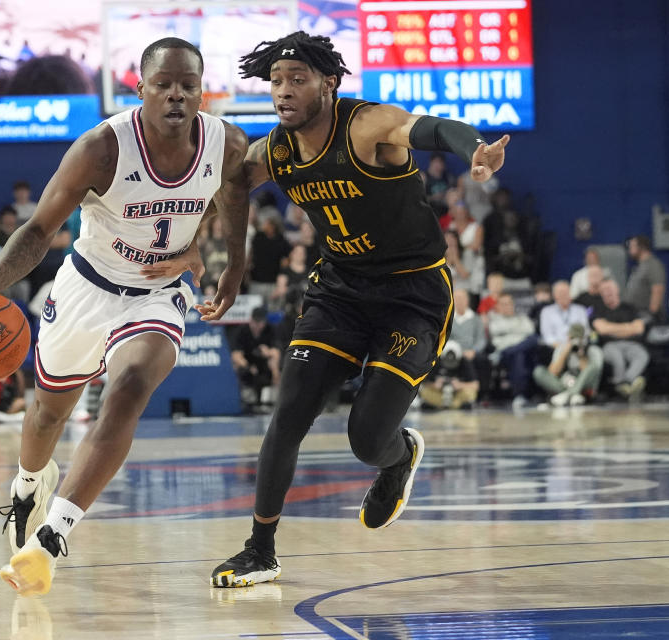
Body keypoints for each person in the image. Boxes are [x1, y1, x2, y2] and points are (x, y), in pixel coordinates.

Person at [0, 37, 249, 596]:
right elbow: (37, 231)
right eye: (164, 84)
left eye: (188, 85)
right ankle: (30, 484)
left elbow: (233, 194)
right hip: (86, 287)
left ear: (202, 91)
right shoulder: (102, 149)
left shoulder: (225, 142)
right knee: (46, 415)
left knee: (129, 386)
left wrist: (224, 261)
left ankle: (52, 538)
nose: (177, 94)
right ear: (141, 89)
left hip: (158, 292)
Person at [209, 31, 509, 587]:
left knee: (366, 438)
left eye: (297, 79)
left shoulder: (365, 126)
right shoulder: (272, 149)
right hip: (339, 293)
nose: (283, 91)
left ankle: (397, 458)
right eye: (276, 81)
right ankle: (261, 549)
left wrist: (475, 150)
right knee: (288, 413)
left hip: (412, 297)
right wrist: (231, 264)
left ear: (328, 83)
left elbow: (431, 128)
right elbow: (229, 188)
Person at [592, 279, 649, 399]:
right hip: (609, 346)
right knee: (617, 356)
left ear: (617, 290)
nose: (608, 292)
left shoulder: (629, 307)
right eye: (604, 290)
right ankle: (626, 386)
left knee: (642, 355)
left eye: (610, 289)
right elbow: (602, 329)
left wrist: (612, 328)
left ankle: (625, 383)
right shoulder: (598, 310)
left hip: (631, 344)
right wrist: (628, 328)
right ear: (601, 294)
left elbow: (639, 329)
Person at [488, 293, 538, 408]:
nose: (506, 307)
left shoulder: (523, 319)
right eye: (503, 304)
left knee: (533, 341)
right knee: (518, 355)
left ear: (513, 305)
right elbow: (496, 341)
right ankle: (519, 395)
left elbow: (532, 335)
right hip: (506, 356)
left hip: (521, 352)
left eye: (509, 304)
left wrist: (513, 342)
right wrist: (519, 335)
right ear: (498, 307)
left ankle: (524, 394)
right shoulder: (494, 321)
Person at [533, 323, 603, 406]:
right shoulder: (562, 348)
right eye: (573, 338)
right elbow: (553, 372)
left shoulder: (592, 350)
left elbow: (591, 374)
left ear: (584, 338)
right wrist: (565, 353)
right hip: (565, 383)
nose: (575, 341)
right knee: (538, 371)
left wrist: (581, 356)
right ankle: (570, 395)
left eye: (578, 338)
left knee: (593, 366)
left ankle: (568, 395)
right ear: (568, 337)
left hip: (584, 386)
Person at [231, 306, 281, 407]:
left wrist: (267, 352)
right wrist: (248, 366)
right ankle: (246, 399)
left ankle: (268, 399)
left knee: (274, 365)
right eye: (256, 322)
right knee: (239, 368)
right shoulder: (242, 331)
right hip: (248, 364)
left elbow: (276, 352)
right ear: (251, 320)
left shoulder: (270, 330)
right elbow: (235, 355)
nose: (258, 325)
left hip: (263, 365)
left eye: (261, 322)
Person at [624, 234, 666, 319]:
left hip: (646, 315)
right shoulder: (640, 265)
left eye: (632, 246)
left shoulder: (653, 265)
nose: (629, 249)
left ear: (641, 247)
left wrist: (651, 316)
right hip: (634, 314)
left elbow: (658, 290)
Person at [539, 280, 589, 348]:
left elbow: (585, 331)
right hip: (555, 348)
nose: (564, 295)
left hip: (577, 346)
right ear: (554, 295)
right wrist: (562, 347)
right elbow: (547, 336)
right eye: (560, 293)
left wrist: (574, 344)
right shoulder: (546, 312)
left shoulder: (580, 310)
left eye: (566, 292)